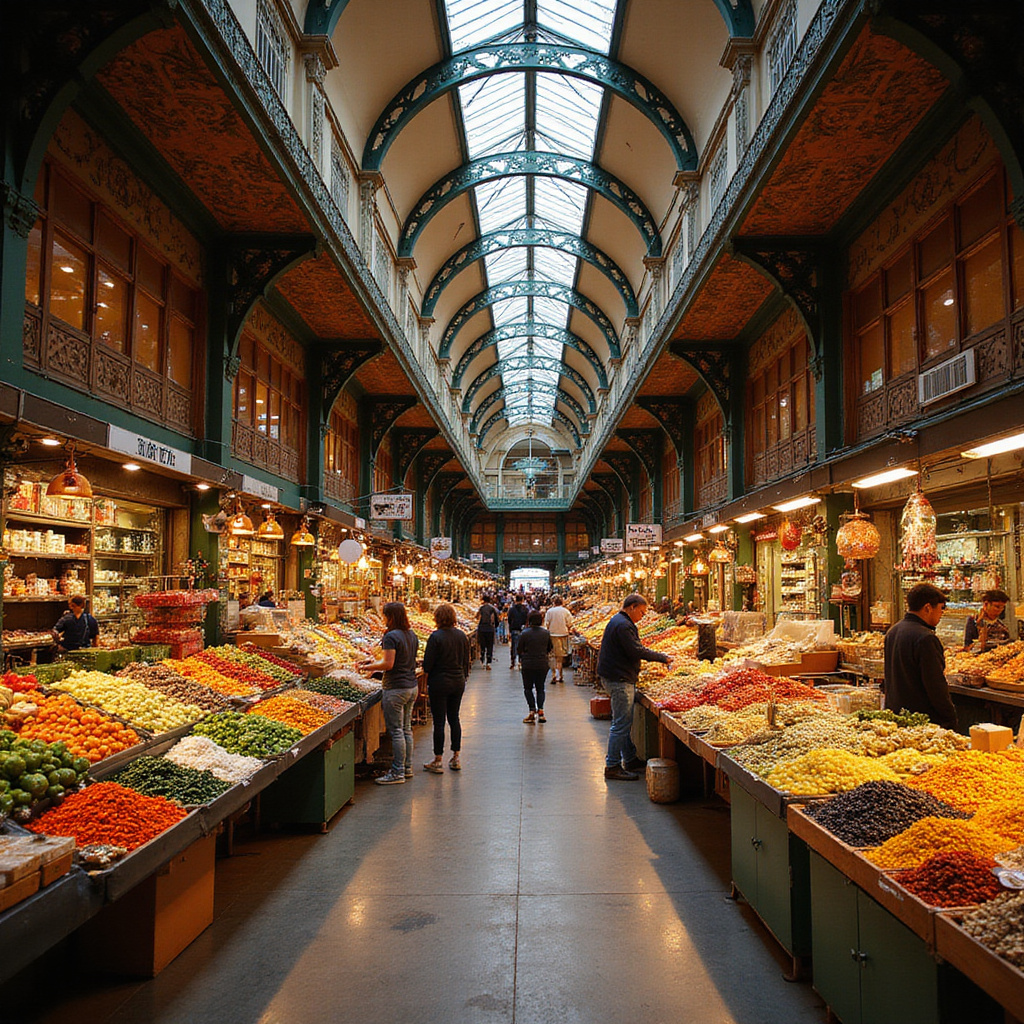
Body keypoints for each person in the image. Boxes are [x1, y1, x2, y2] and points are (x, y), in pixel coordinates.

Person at [597, 594, 672, 781]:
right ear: (632, 607)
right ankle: (612, 765)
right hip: (619, 679)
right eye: (642, 612)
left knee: (623, 722)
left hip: (615, 675)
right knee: (620, 724)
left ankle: (630, 759)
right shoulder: (623, 625)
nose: (643, 616)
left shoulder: (619, 621)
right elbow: (635, 650)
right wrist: (662, 658)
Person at [360, 601, 420, 785]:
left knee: (396, 731)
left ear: (391, 617)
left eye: (384, 615)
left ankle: (397, 772)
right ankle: (407, 767)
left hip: (396, 688)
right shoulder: (412, 635)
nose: (383, 618)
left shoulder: (391, 636)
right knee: (406, 729)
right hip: (411, 686)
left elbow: (388, 664)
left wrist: (367, 667)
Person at [883, 582, 957, 730]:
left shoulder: (893, 631)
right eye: (941, 609)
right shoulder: (925, 638)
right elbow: (935, 685)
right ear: (928, 608)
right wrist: (950, 717)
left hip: (896, 715)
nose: (941, 614)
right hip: (922, 721)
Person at [421, 602, 470, 773]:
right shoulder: (462, 636)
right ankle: (456, 757)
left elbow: (427, 665)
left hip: (439, 682)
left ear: (437, 618)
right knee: (454, 718)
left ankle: (438, 759)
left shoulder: (435, 637)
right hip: (457, 681)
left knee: (439, 721)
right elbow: (466, 661)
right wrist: (463, 677)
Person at [517, 610, 552, 723]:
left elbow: (519, 649)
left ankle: (532, 710)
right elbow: (550, 647)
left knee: (528, 688)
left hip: (528, 664)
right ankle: (541, 711)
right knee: (540, 688)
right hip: (542, 663)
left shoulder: (524, 633)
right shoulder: (546, 633)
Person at [543, 595, 574, 683]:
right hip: (563, 635)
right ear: (562, 603)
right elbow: (570, 623)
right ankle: (560, 675)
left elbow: (546, 624)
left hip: (552, 635)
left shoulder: (550, 611)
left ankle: (554, 675)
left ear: (554, 603)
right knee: (560, 656)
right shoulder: (566, 611)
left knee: (553, 656)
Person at [507, 593, 529, 669]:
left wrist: (509, 630)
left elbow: (509, 620)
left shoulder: (512, 609)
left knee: (514, 646)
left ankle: (513, 662)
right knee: (522, 646)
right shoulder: (525, 609)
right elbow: (527, 619)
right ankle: (521, 661)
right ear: (522, 600)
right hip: (523, 630)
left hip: (514, 629)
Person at [476, 595, 498, 669]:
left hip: (482, 629)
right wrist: (495, 627)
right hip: (490, 629)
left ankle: (482, 660)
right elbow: (496, 619)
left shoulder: (481, 608)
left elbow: (477, 617)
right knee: (490, 646)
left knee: (482, 645)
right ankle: (488, 662)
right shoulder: (492, 608)